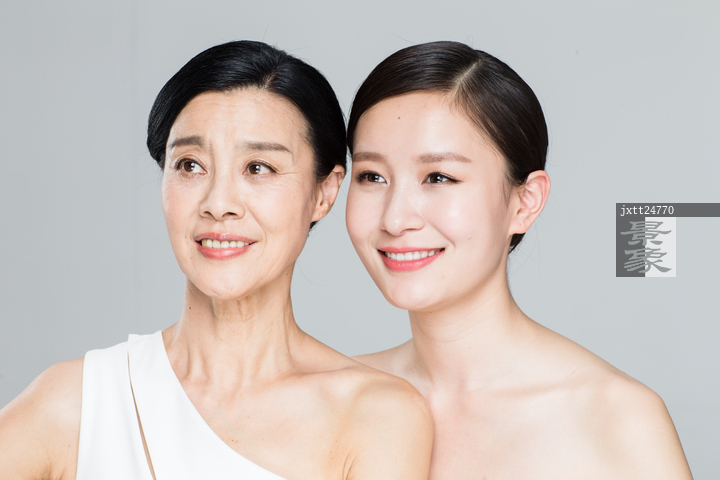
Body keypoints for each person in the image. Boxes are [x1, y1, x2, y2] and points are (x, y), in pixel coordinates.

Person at [0, 40, 432, 480]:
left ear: (324, 192)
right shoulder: (76, 402)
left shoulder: (375, 417)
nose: (219, 203)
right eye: (190, 165)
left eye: (258, 168)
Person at [345, 41, 692, 479]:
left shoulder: (617, 418)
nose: (395, 219)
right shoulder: (332, 399)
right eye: (372, 176)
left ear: (525, 202)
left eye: (439, 177)